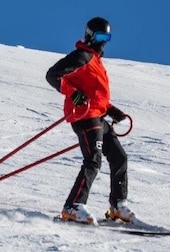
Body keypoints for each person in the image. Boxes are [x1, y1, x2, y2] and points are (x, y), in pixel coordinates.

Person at [45, 17, 135, 225]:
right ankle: (73, 206)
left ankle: (118, 205)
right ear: (90, 35)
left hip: (98, 115)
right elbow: (53, 75)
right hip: (84, 116)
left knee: (120, 157)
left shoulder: (95, 61)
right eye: (100, 36)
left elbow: (96, 95)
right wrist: (73, 94)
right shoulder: (82, 56)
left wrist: (112, 110)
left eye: (107, 37)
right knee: (93, 160)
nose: (103, 42)